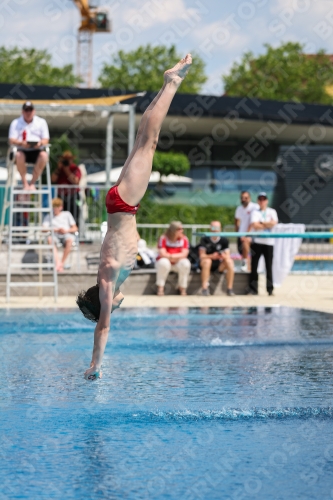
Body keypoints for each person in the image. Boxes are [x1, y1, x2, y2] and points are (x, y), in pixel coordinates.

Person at [76, 54, 192, 381]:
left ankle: (171, 83)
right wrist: (105, 303)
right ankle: (167, 83)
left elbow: (102, 328)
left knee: (150, 142)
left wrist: (95, 365)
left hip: (125, 204)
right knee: (143, 138)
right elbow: (116, 302)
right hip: (119, 204)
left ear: (104, 304)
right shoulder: (111, 286)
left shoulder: (108, 284)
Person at [8, 101, 49, 190]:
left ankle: (32, 183)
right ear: (22, 112)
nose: (28, 112)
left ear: (34, 111)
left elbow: (46, 139)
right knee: (18, 155)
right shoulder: (15, 123)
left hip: (36, 150)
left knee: (44, 155)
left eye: (30, 110)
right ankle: (25, 183)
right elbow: (11, 140)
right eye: (26, 110)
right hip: (21, 150)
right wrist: (21, 143)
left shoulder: (41, 122)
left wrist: (40, 143)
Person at [248, 192, 278, 296]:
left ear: (267, 201)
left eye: (264, 199)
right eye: (260, 199)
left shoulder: (272, 211)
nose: (262, 201)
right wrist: (267, 224)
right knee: (254, 266)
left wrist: (261, 223)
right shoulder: (255, 212)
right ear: (258, 201)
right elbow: (255, 225)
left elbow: (274, 223)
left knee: (269, 267)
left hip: (269, 242)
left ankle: (270, 289)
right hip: (257, 242)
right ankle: (253, 289)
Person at [199, 220, 235, 296]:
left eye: (217, 227)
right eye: (213, 227)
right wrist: (212, 256)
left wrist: (222, 256)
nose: (215, 230)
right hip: (207, 264)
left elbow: (227, 255)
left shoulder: (224, 240)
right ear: (210, 228)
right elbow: (202, 255)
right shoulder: (205, 239)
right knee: (207, 261)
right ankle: (204, 288)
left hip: (219, 265)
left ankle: (229, 289)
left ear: (220, 228)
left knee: (230, 262)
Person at [43, 198, 78, 272]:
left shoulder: (67, 214)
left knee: (70, 240)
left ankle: (60, 264)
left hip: (66, 234)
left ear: (61, 207)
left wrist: (66, 230)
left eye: (56, 206)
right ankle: (58, 263)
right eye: (54, 207)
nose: (55, 209)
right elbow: (43, 229)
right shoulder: (48, 216)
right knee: (50, 239)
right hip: (55, 235)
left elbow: (75, 228)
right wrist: (56, 230)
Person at [155, 221, 191, 296]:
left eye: (182, 229)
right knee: (164, 262)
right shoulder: (163, 238)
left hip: (177, 262)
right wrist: (175, 256)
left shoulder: (184, 239)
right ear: (173, 230)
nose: (182, 231)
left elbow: (185, 254)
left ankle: (182, 288)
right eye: (179, 229)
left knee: (186, 263)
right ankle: (160, 287)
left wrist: (171, 256)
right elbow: (162, 253)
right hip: (166, 261)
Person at [51, 151, 82, 222]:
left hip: (73, 195)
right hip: (61, 196)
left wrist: (66, 170)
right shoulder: (59, 169)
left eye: (68, 159)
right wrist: (58, 168)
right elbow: (53, 179)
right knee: (60, 214)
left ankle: (75, 230)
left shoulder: (75, 168)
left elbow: (76, 182)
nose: (66, 161)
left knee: (75, 214)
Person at [235, 191, 259, 272]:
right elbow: (236, 220)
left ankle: (245, 264)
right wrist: (238, 232)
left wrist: (247, 234)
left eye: (245, 198)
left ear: (250, 198)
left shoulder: (254, 207)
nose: (244, 199)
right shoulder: (239, 208)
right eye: (242, 198)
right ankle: (247, 265)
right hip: (242, 233)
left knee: (246, 246)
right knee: (242, 251)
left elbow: (252, 222)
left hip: (252, 234)